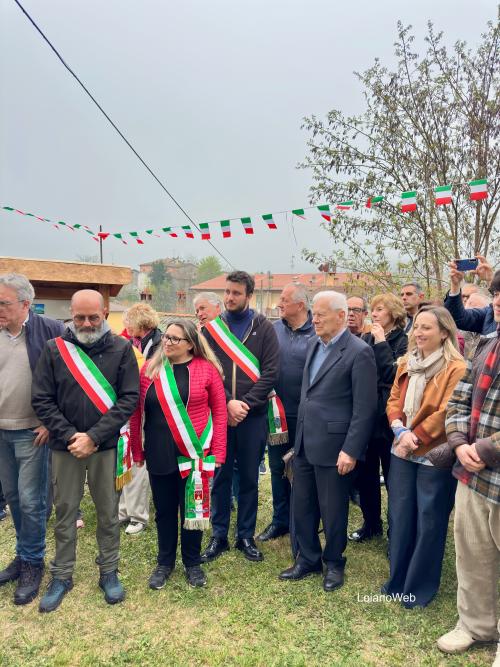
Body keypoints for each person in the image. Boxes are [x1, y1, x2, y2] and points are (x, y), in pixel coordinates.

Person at [32, 289, 139, 613]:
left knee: (108, 512)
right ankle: (62, 575)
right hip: (66, 448)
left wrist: (93, 436)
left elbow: (129, 399)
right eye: (80, 317)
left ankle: (108, 571)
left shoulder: (122, 348)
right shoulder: (54, 349)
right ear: (71, 314)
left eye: (93, 317)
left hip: (105, 446)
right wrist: (71, 436)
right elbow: (42, 399)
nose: (87, 323)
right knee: (65, 511)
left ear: (105, 313)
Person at [279, 291, 377, 592]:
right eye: (314, 313)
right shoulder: (314, 344)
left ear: (340, 316)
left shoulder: (359, 352)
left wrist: (351, 450)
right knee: (303, 504)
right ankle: (308, 559)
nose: (315, 319)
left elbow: (365, 408)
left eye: (321, 314)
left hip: (336, 447)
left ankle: (334, 562)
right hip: (305, 442)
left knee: (333, 510)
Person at [130, 320, 227, 588]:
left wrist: (218, 452)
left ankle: (192, 563)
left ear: (191, 344)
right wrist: (137, 449)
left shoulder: (207, 370)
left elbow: (220, 412)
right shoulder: (150, 369)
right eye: (167, 337)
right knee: (164, 510)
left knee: (192, 510)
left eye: (175, 339)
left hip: (194, 454)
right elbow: (137, 412)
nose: (168, 342)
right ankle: (165, 562)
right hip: (159, 452)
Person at [383, 306, 466, 608]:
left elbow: (448, 411)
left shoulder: (456, 367)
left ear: (444, 332)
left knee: (429, 521)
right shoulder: (407, 362)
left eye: (426, 327)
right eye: (417, 326)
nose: (418, 332)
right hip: (402, 448)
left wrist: (414, 437)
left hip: (433, 453)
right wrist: (399, 429)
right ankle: (397, 581)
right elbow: (394, 399)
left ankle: (418, 588)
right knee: (401, 516)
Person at [437, 277, 500, 662]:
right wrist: (460, 443)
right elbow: (459, 397)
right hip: (473, 475)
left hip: (488, 465)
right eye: (498, 294)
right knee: (472, 555)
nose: (499, 301)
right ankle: (476, 625)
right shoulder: (487, 343)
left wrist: (484, 448)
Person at [200, 271, 280, 563]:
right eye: (227, 292)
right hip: (221, 415)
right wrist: (227, 404)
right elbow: (206, 371)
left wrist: (243, 405)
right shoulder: (211, 330)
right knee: (220, 476)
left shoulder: (265, 328)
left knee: (248, 477)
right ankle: (219, 535)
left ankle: (245, 535)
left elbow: (271, 372)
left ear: (249, 296)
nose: (230, 298)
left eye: (236, 293)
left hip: (252, 416)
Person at [0, 273, 63, 606]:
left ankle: (33, 564)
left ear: (25, 304)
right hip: (1, 432)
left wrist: (52, 422)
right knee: (12, 497)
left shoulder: (51, 330)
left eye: (4, 303)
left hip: (32, 432)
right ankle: (22, 556)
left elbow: (69, 379)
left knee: (31, 501)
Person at [257, 283, 314, 543]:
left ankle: (302, 520)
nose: (279, 303)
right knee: (278, 467)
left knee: (303, 469)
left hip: (307, 416)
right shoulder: (273, 329)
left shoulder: (317, 331)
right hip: (276, 415)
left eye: (284, 299)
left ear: (300, 305)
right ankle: (280, 520)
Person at [349, 293, 408, 543]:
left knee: (394, 479)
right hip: (367, 416)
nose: (374, 314)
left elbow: (393, 375)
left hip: (390, 419)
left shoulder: (404, 341)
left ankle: (397, 530)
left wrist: (382, 342)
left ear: (393, 313)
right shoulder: (365, 338)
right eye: (373, 310)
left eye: (380, 309)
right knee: (366, 476)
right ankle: (371, 524)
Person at [118, 303, 162, 535]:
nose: (126, 326)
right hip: (129, 407)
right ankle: (124, 510)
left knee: (138, 463)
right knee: (125, 458)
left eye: (128, 321)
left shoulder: (159, 344)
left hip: (149, 411)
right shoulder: (133, 342)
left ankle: (138, 516)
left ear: (139, 322)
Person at [444, 256, 497, 336]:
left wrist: (491, 280)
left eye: (468, 296)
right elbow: (458, 318)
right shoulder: (488, 315)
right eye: (496, 295)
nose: (466, 300)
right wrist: (455, 285)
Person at [461, 291, 492, 359]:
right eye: (468, 304)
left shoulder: (492, 335)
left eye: (474, 306)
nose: (469, 309)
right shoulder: (456, 332)